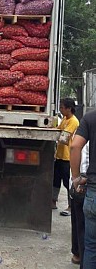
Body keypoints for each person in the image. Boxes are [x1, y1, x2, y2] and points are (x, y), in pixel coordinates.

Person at [70, 109, 96, 269]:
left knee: (91, 247)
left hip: (94, 193)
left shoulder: (90, 118)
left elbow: (74, 146)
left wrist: (76, 177)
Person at [52, 98, 79, 215]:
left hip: (68, 157)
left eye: (62, 107)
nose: (61, 109)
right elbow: (58, 131)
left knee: (68, 182)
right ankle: (53, 201)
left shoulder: (73, 121)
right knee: (56, 179)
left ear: (69, 109)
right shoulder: (64, 119)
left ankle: (70, 206)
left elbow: (63, 138)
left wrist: (53, 136)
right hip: (59, 155)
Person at [70, 143, 89, 267]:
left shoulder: (85, 133)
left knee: (81, 227)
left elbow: (74, 147)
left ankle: (79, 256)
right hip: (86, 185)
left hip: (84, 185)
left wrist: (77, 179)